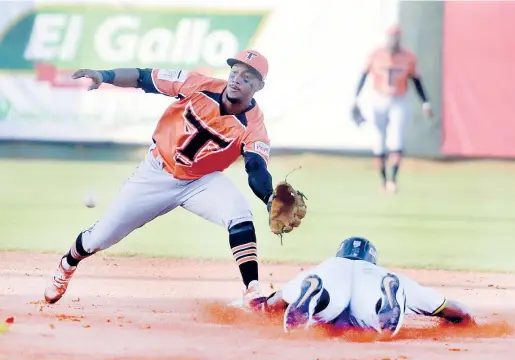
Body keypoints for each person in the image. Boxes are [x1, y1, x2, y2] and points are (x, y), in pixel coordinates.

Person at [44, 49, 275, 307]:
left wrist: (269, 196)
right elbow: (144, 77)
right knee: (99, 238)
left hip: (201, 181)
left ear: (259, 86)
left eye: (246, 78)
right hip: (156, 172)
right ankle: (68, 263)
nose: (236, 79)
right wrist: (104, 75)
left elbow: (255, 167)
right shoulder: (197, 84)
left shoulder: (255, 126)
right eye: (235, 72)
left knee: (239, 211)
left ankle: (252, 289)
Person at [259, 237, 475, 336]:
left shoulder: (325, 267)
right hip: (373, 288)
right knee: (369, 316)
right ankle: (384, 301)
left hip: (329, 284)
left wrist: (262, 305)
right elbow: (458, 311)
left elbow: (275, 302)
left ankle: (318, 297)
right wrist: (467, 321)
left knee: (327, 306)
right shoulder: (385, 275)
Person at [351, 25, 433, 193]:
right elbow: (363, 76)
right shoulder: (376, 55)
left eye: (395, 37)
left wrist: (426, 102)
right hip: (378, 98)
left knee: (397, 139)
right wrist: (355, 99)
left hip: (398, 99)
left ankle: (392, 180)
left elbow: (416, 81)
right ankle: (383, 180)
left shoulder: (408, 57)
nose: (392, 40)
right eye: (390, 37)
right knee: (378, 140)